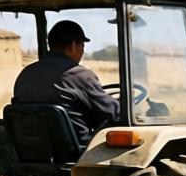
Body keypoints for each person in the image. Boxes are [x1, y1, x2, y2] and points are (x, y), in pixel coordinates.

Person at [12, 19, 119, 148]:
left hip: (30, 151)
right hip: (77, 152)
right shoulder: (80, 75)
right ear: (73, 46)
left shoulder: (26, 74)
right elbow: (113, 114)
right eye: (82, 47)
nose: (82, 52)